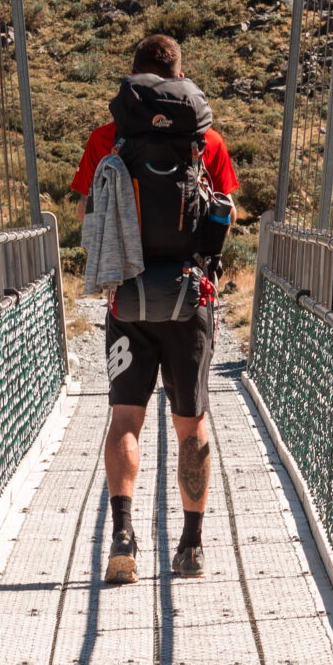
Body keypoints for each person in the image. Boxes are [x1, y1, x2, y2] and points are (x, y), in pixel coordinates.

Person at [71, 32, 238, 584]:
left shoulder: (106, 138)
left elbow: (87, 218)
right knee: (190, 424)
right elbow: (226, 213)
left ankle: (123, 538)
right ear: (178, 75)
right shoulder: (207, 141)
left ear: (135, 74)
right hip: (191, 301)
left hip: (128, 299)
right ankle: (191, 547)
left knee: (125, 418)